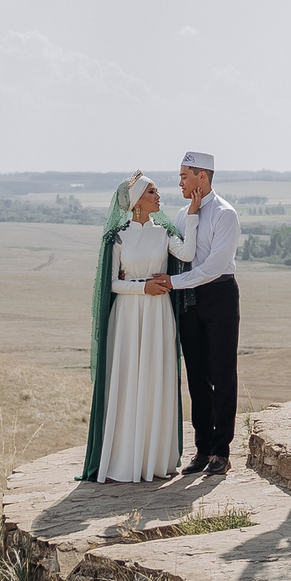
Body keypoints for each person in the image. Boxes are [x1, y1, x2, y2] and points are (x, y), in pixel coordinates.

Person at [80, 172, 188, 482]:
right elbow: (110, 283)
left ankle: (154, 460)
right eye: (151, 191)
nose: (158, 196)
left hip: (158, 317)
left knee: (156, 379)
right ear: (137, 200)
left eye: (156, 191)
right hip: (127, 317)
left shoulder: (165, 233)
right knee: (127, 381)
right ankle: (123, 460)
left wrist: (191, 215)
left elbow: (189, 254)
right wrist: (142, 288)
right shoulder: (117, 236)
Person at [147, 149, 239, 475]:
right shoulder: (182, 214)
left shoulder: (226, 214)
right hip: (187, 299)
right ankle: (201, 450)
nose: (180, 182)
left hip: (219, 295)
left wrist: (174, 282)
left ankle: (221, 452)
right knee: (196, 377)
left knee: (223, 374)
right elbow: (176, 253)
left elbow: (213, 266)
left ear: (202, 176)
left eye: (184, 176)